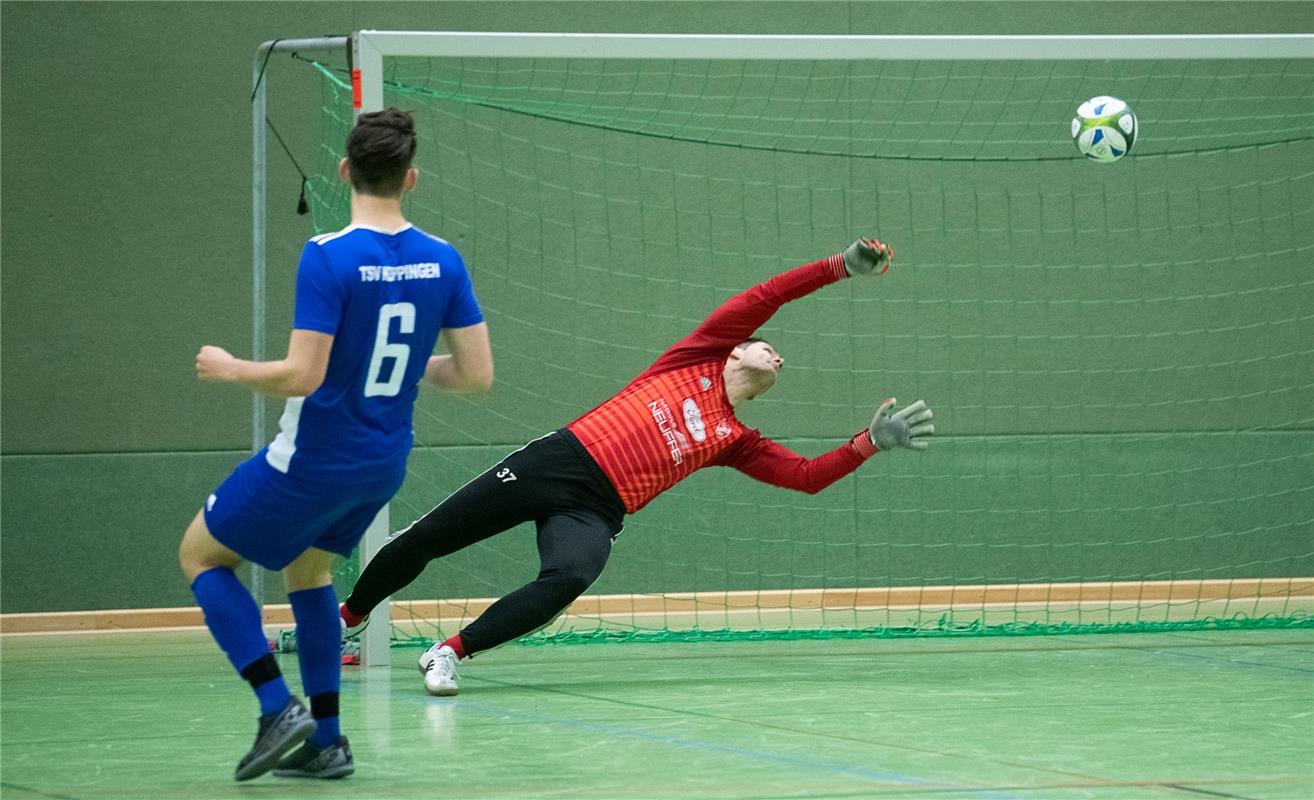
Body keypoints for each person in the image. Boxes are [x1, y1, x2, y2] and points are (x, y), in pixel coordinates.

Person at [340, 236, 934, 696]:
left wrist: (868, 443)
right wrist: (840, 267)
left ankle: (449, 652)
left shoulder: (735, 439)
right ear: (735, 348)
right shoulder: (696, 355)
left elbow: (805, 476)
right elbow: (766, 296)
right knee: (429, 539)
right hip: (558, 460)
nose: (776, 353)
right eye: (765, 345)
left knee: (571, 576)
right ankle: (346, 618)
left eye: (780, 359)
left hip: (597, 508)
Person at [178, 108, 493, 781]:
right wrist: (408, 368)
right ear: (412, 178)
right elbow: (475, 375)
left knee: (201, 555)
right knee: (309, 572)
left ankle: (274, 705)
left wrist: (230, 367)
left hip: (314, 460)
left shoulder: (328, 254)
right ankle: (326, 741)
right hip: (382, 464)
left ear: (345, 170)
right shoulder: (444, 259)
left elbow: (303, 375)